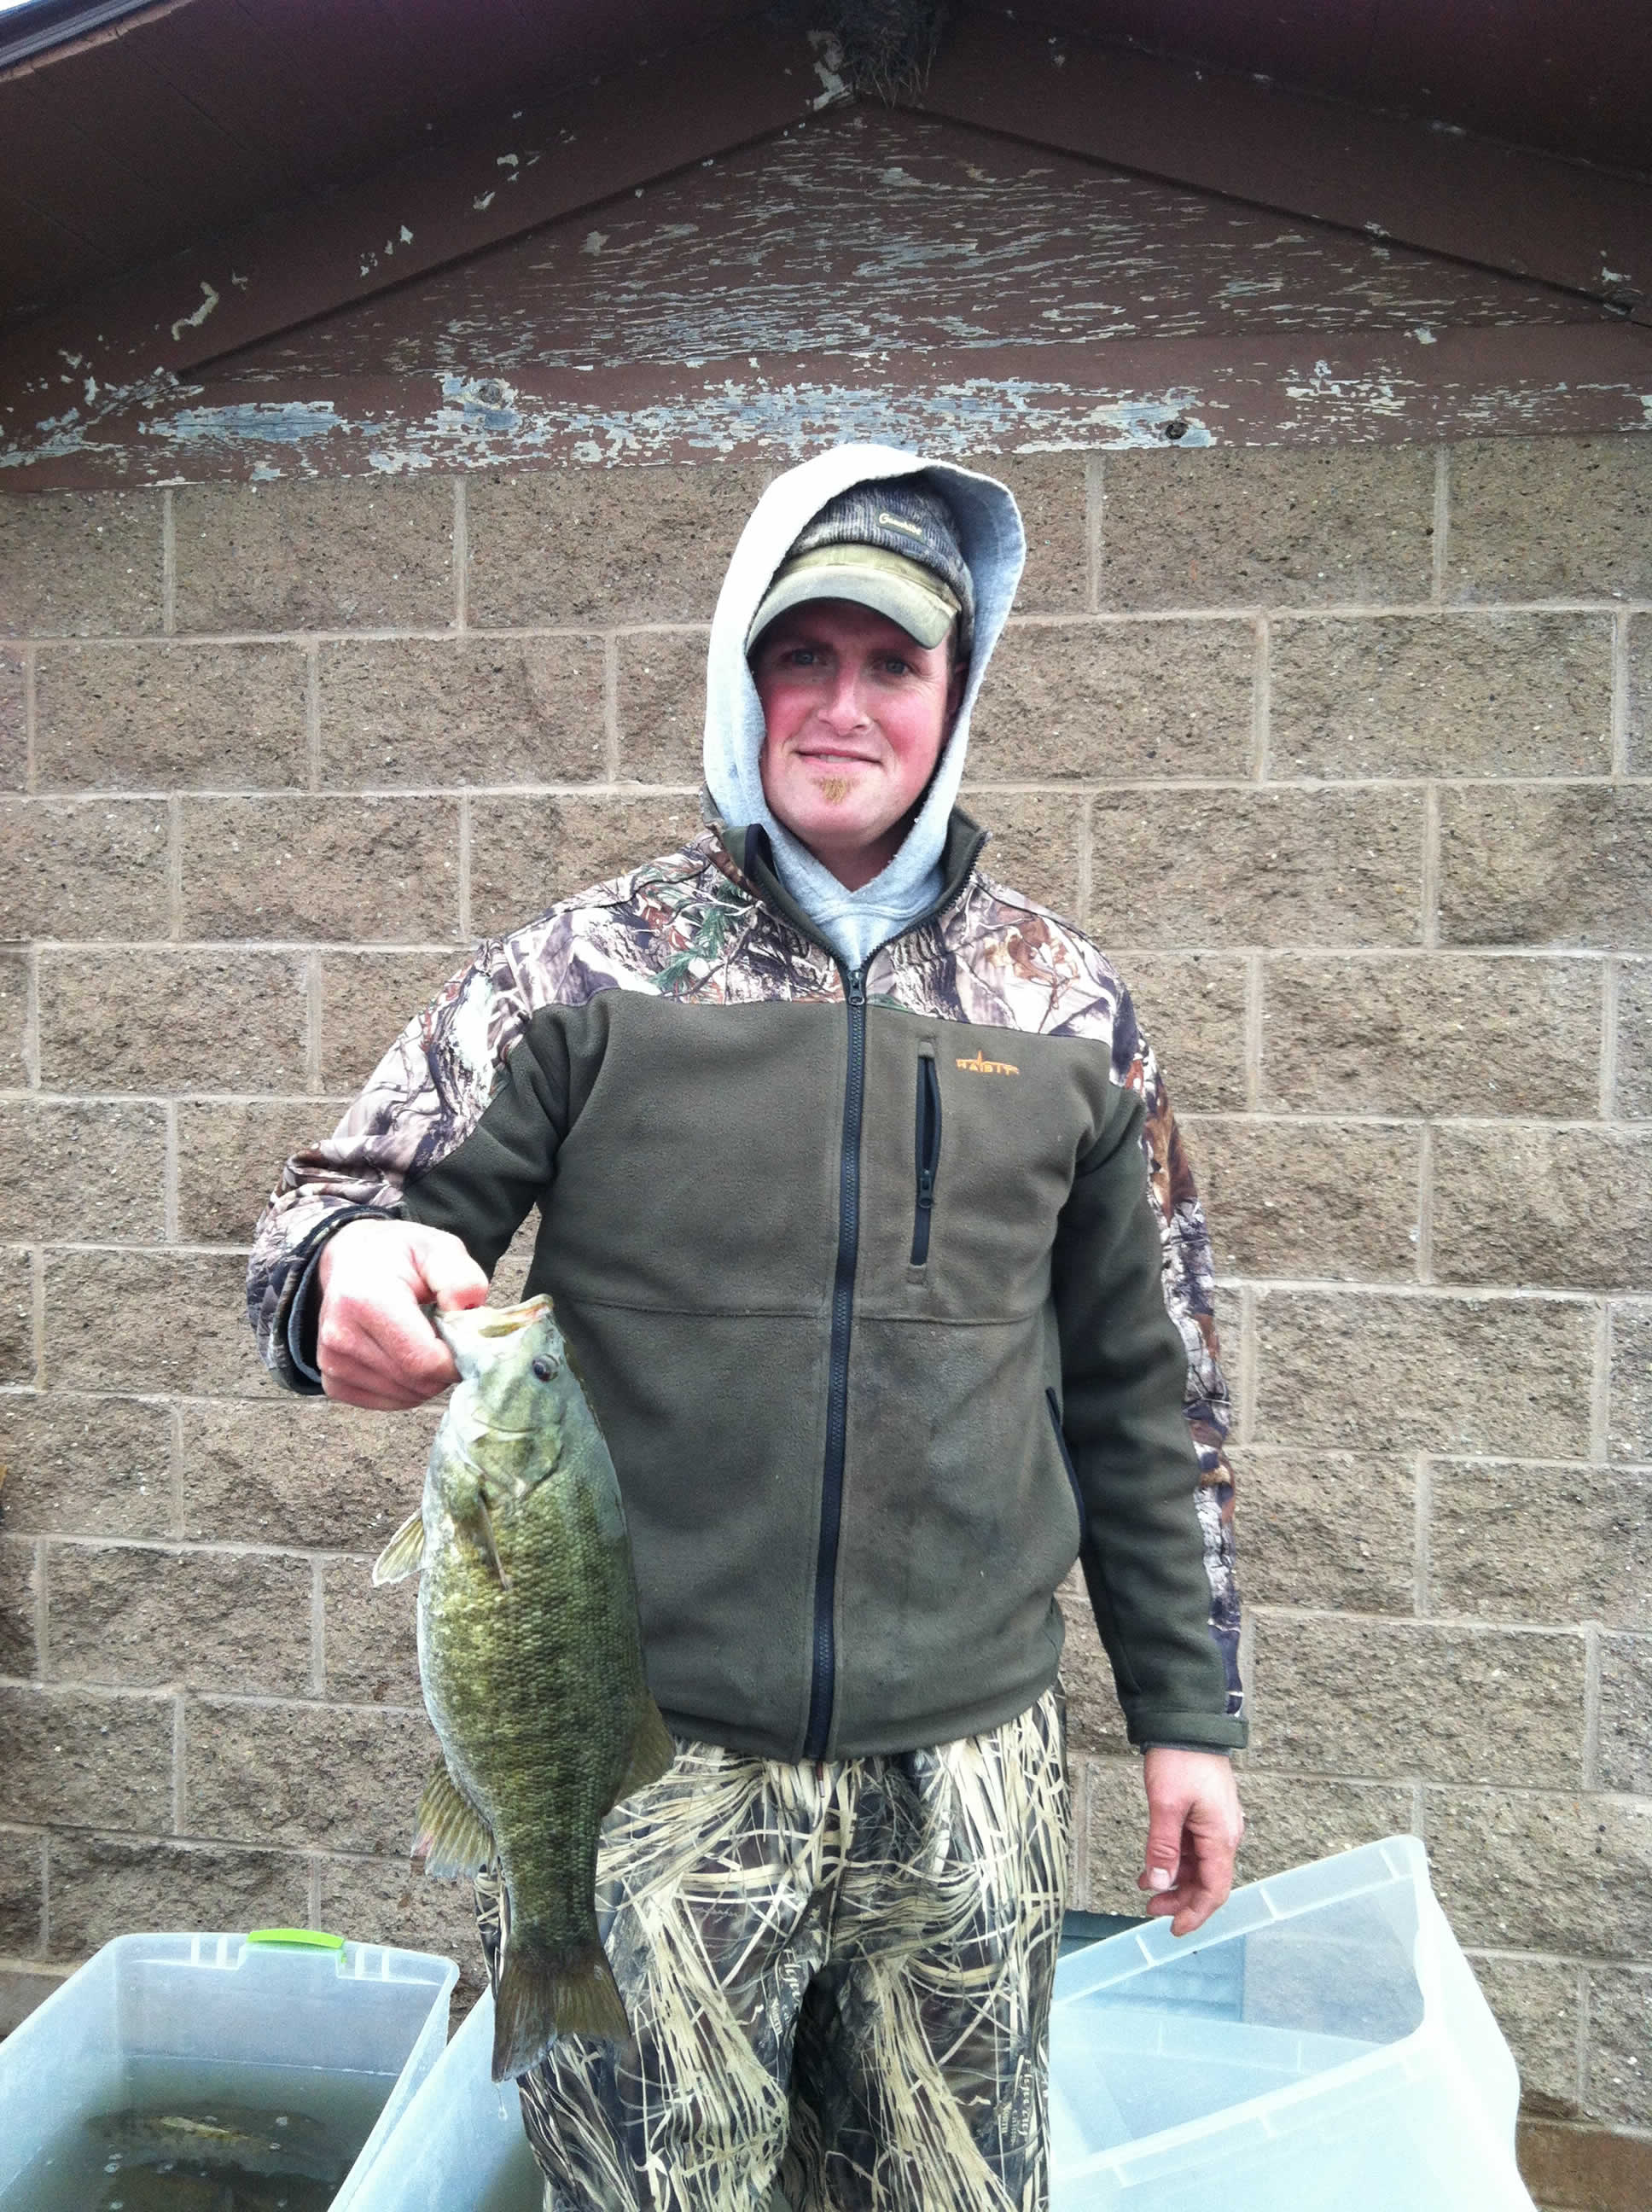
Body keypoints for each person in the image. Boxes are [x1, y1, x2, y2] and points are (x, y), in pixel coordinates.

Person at [247, 444, 1245, 2211]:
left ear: (955, 694)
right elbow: (341, 1205)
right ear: (743, 680)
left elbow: (1151, 1393)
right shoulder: (584, 971)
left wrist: (1188, 1719)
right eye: (804, 656)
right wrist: (347, 1272)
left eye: (893, 664)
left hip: (972, 1777)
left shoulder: (1066, 1008)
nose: (843, 706)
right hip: (648, 1770)